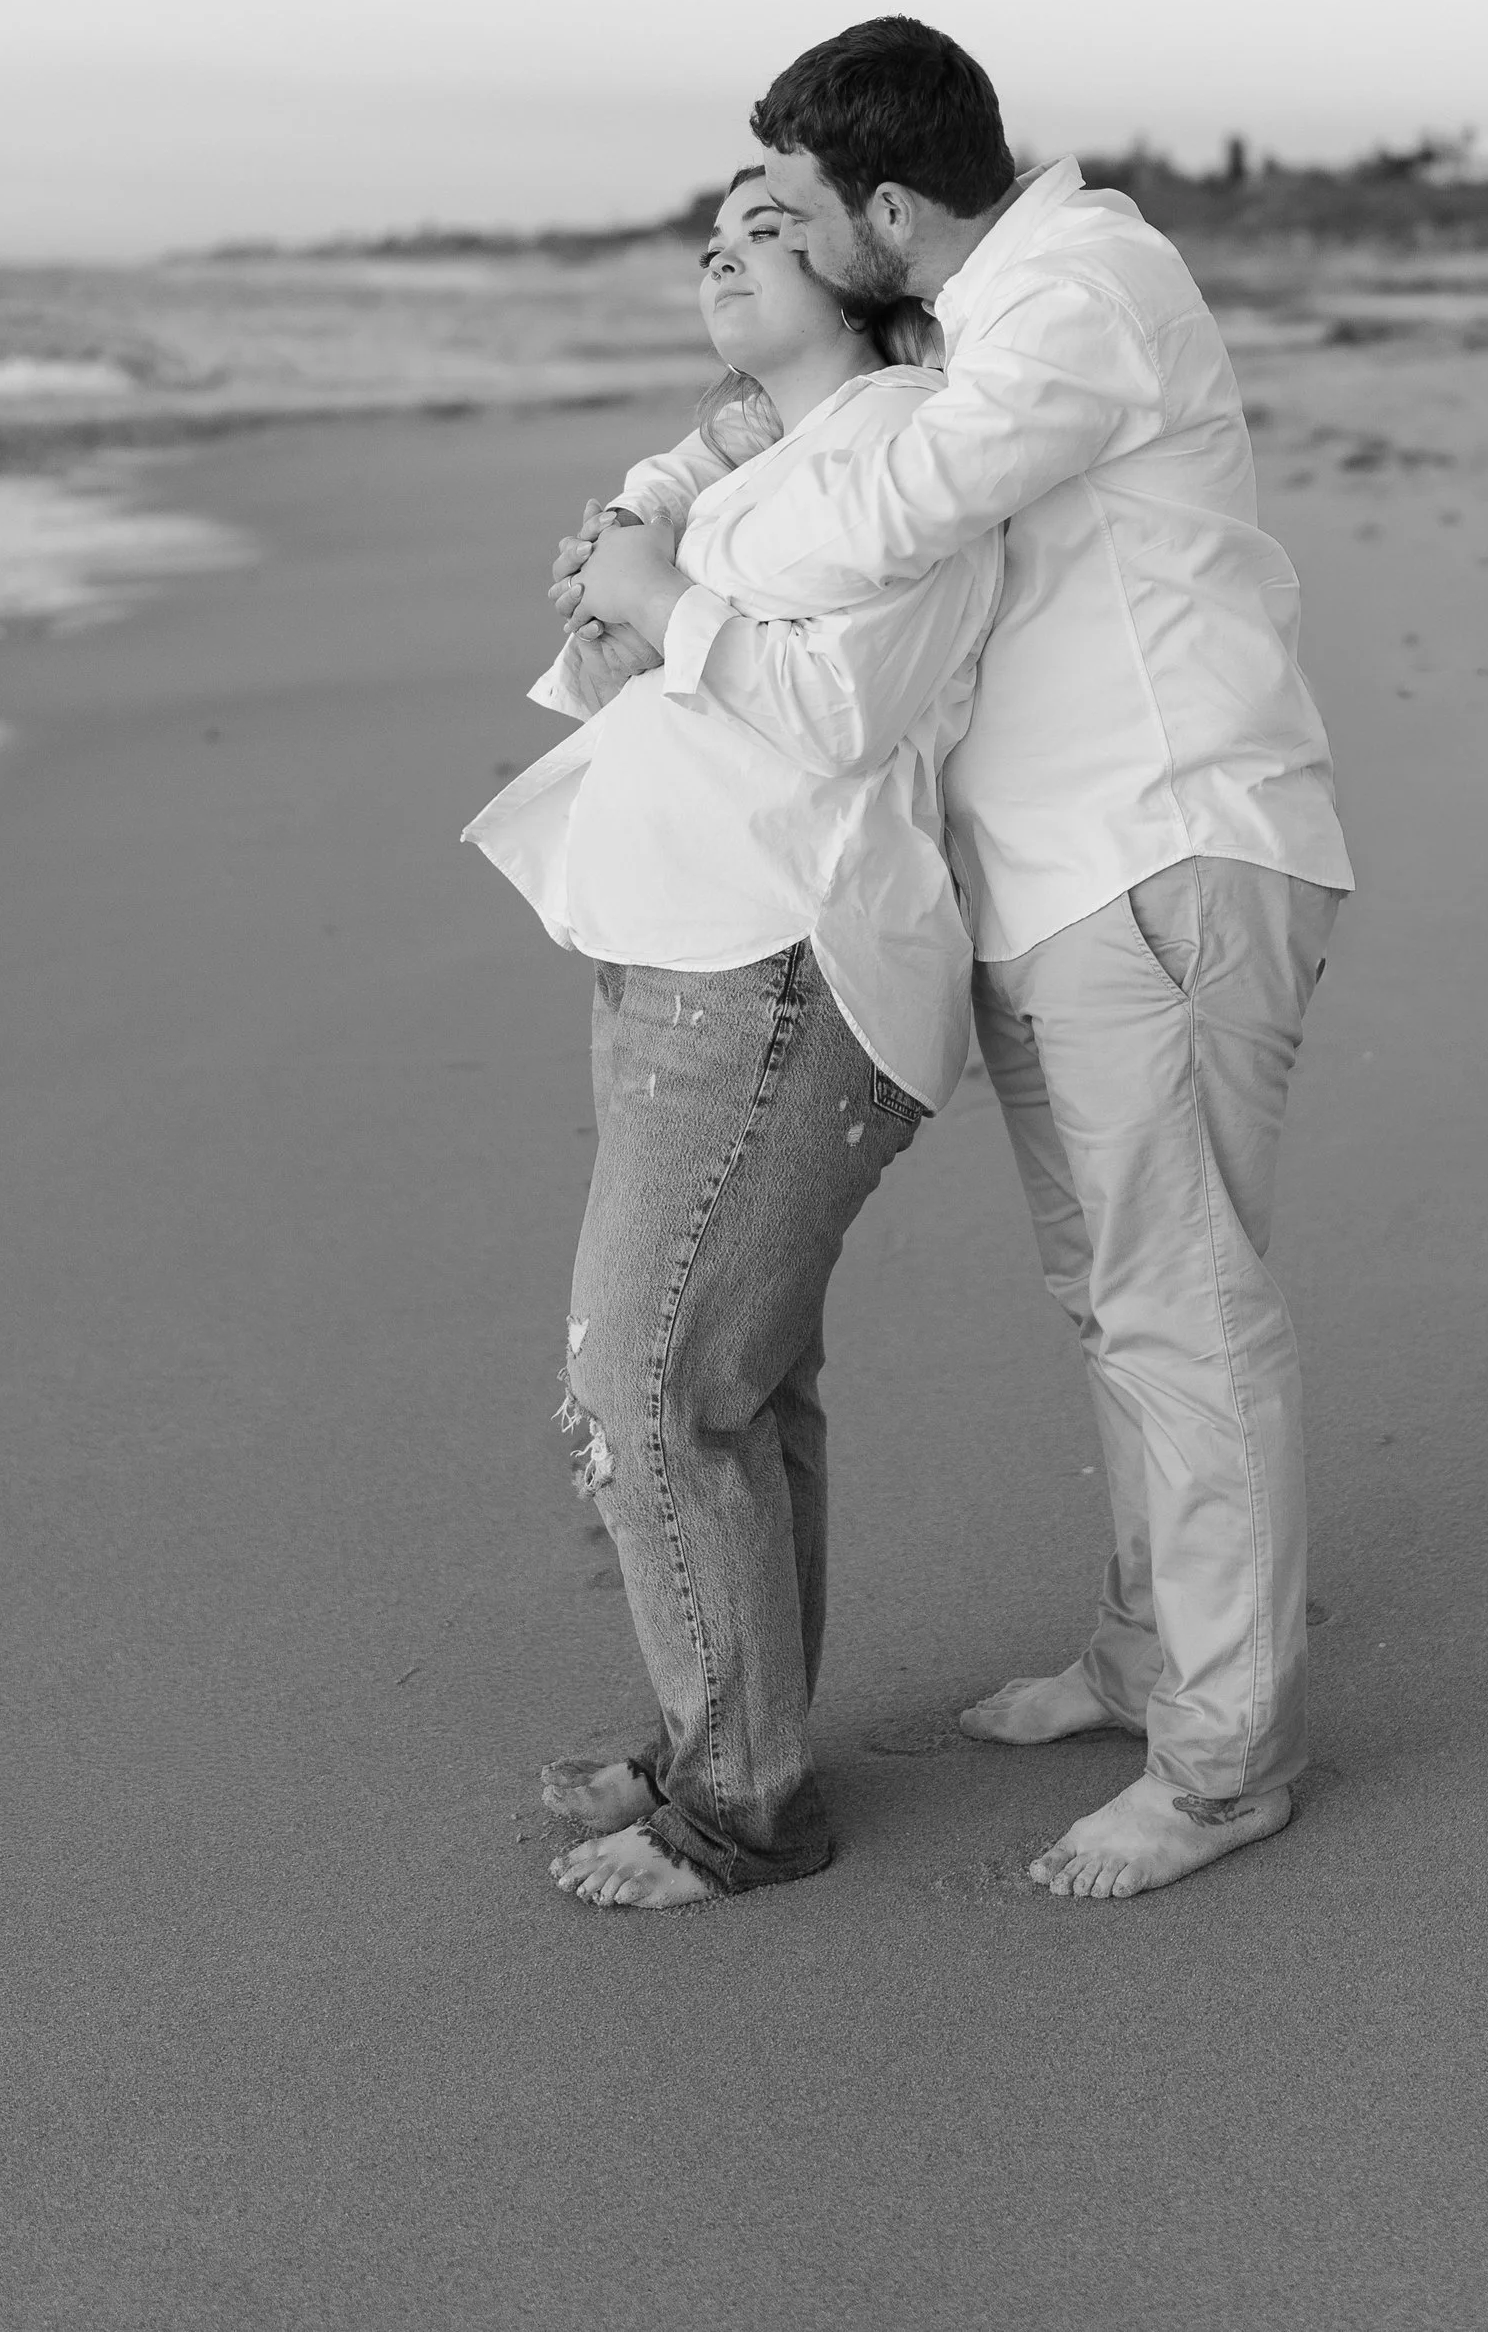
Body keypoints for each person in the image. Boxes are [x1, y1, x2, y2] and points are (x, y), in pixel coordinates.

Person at [559, 20, 1352, 1903]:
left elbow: (893, 500)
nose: (797, 246)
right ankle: (1155, 1647)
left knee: (1183, 1302)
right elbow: (797, 434)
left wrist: (683, 570)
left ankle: (1227, 1755)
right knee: (1118, 1299)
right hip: (1066, 878)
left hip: (1162, 849)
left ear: (892, 208)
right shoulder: (987, 318)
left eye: (810, 214)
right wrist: (695, 485)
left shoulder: (1079, 290)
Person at [464, 169, 999, 1909]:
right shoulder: (761, 463)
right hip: (683, 954)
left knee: (651, 1385)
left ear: (864, 259)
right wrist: (639, 549)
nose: (721, 239)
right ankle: (731, 1730)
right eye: (716, 221)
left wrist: (655, 569)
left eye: (770, 221)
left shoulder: (904, 447)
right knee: (731, 1383)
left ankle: (742, 1804)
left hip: (779, 964)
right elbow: (658, 682)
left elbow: (841, 714)